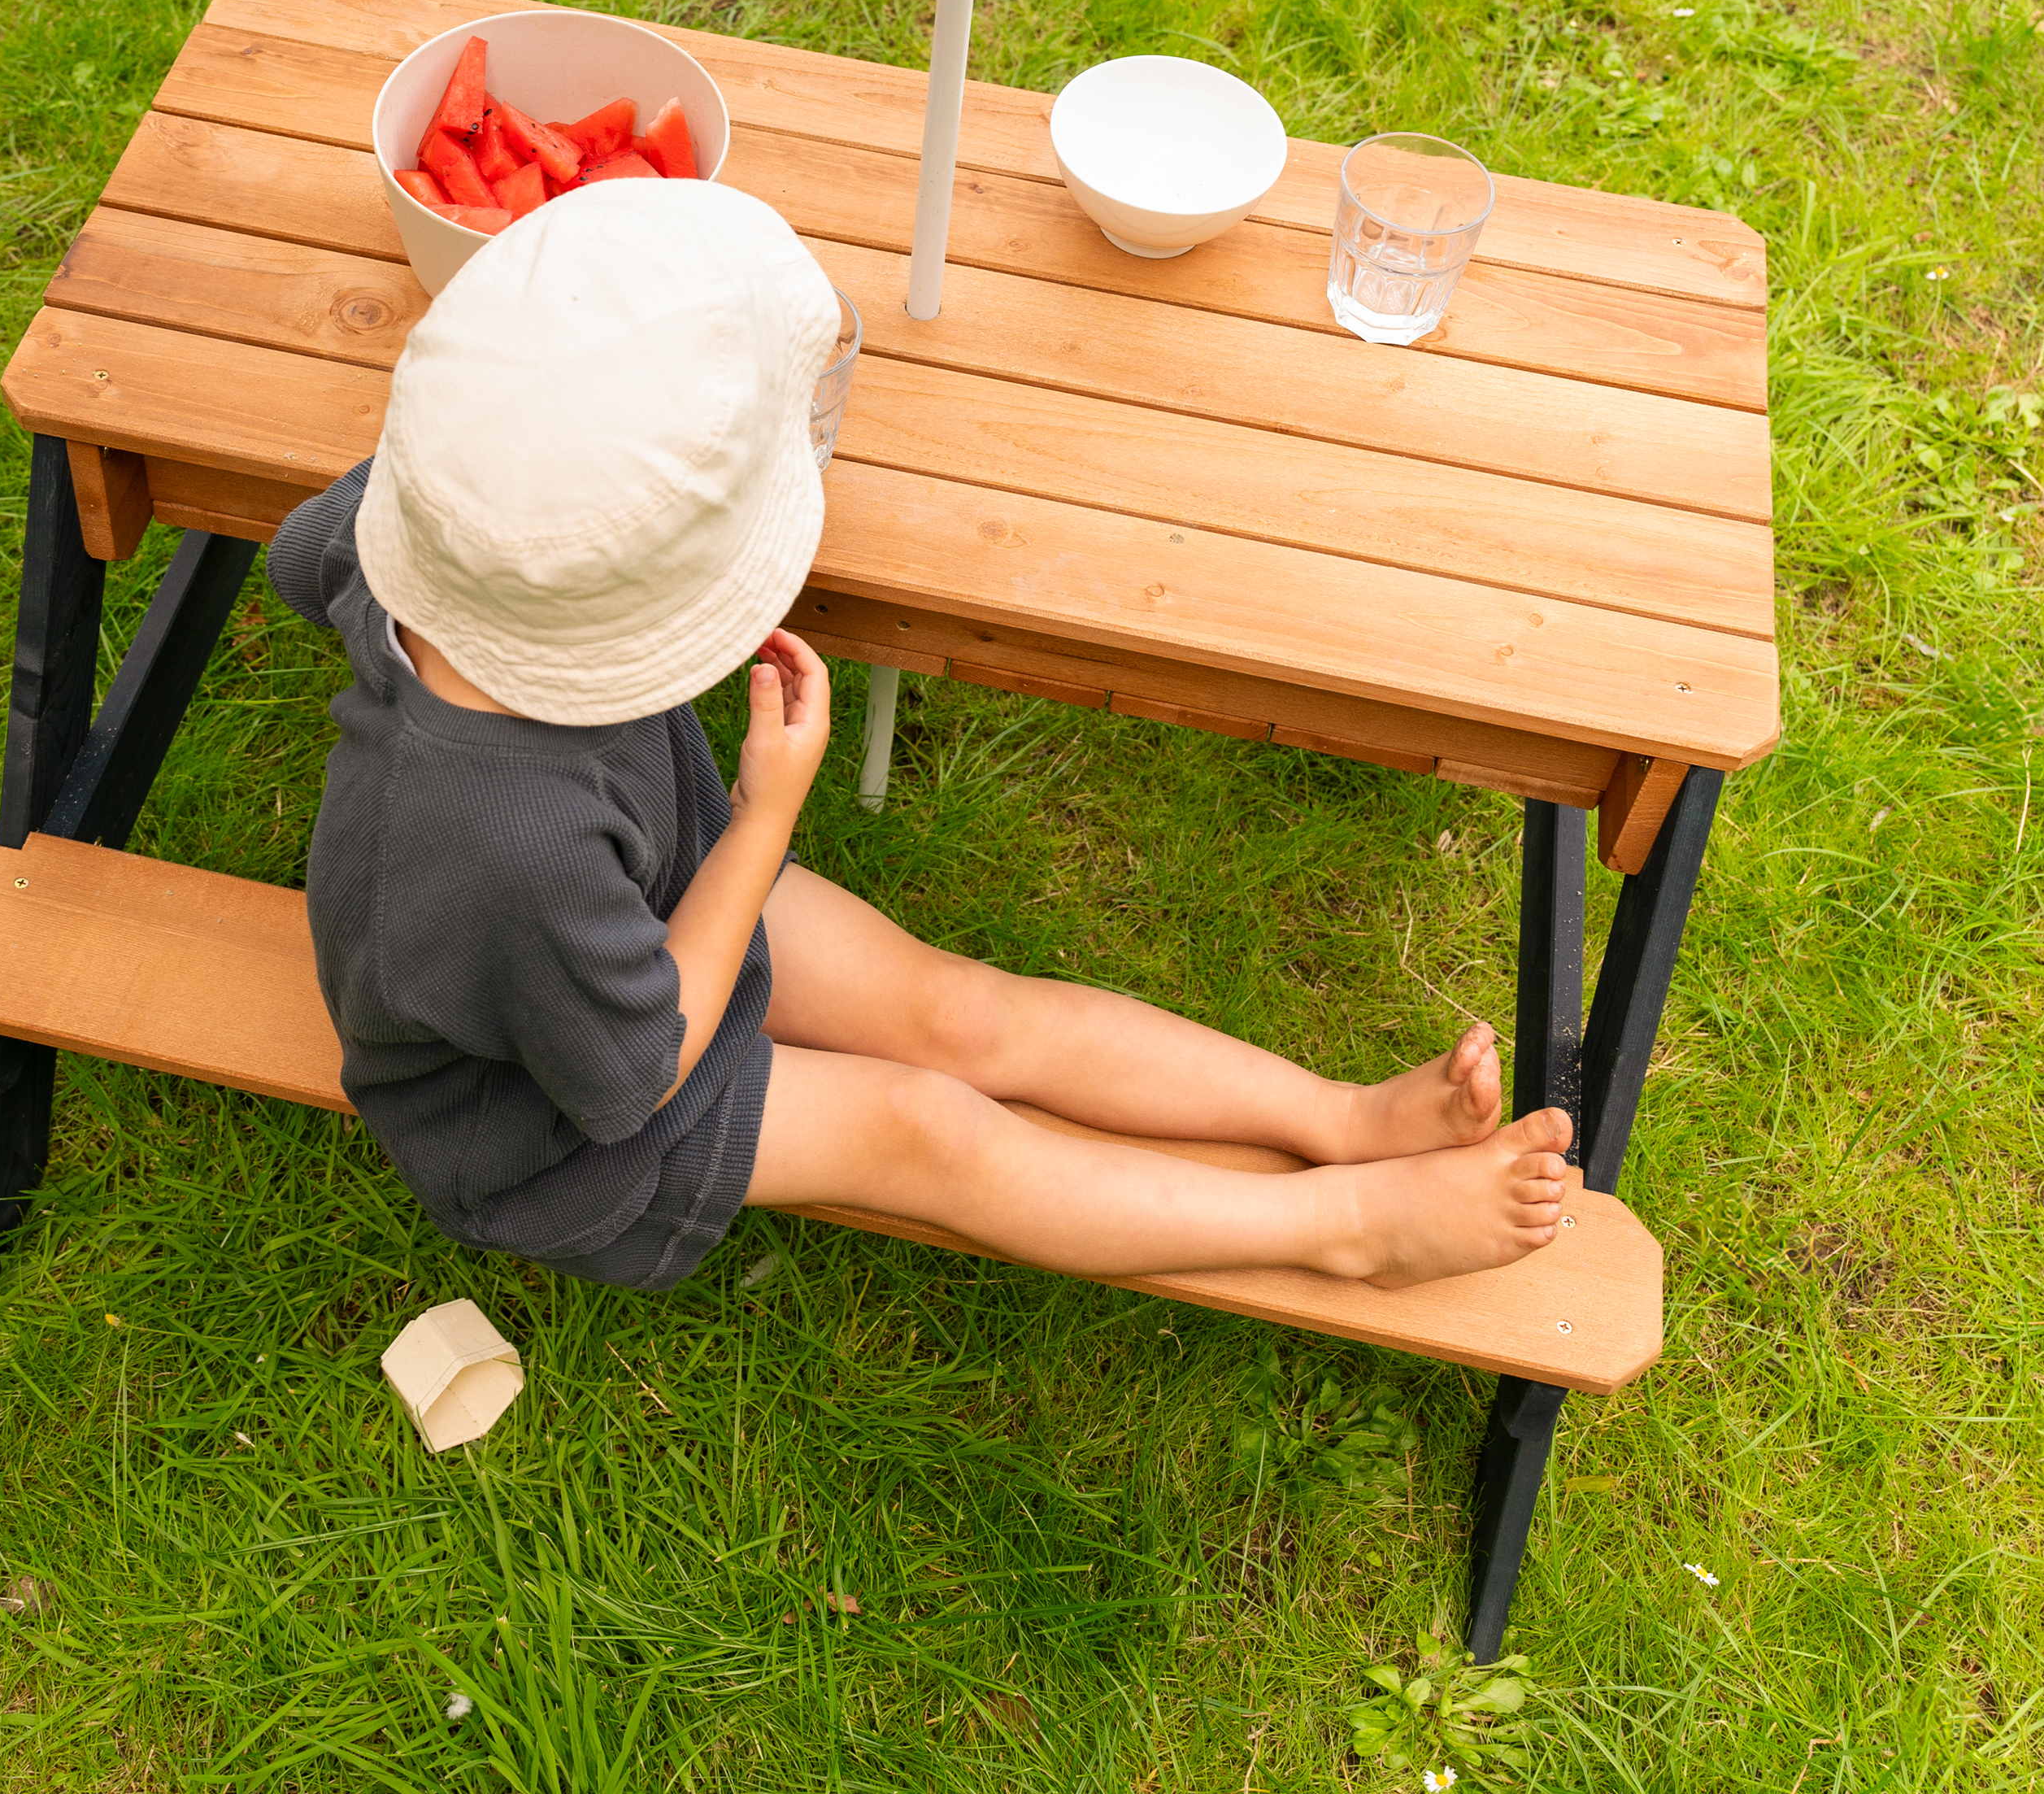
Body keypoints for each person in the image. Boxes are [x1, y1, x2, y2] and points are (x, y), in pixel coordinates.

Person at [272, 176, 1571, 1299]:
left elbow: (303, 553)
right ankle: (1345, 1228)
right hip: (551, 1121)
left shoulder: (434, 524)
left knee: (954, 1009)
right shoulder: (503, 847)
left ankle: (1337, 1120)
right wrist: (766, 816)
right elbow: (634, 1078)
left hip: (631, 903)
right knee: (930, 1128)